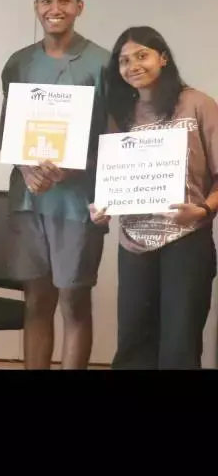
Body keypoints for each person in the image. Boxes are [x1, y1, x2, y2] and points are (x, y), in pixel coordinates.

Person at [0, 0, 111, 369]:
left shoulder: (102, 63)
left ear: (80, 6)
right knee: (36, 301)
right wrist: (26, 168)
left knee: (74, 301)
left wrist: (72, 169)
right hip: (28, 202)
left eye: (65, 0)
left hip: (76, 204)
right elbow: (7, 134)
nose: (55, 9)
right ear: (35, 6)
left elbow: (114, 140)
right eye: (46, 1)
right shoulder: (19, 63)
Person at [87, 26, 217, 369]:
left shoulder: (198, 104)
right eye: (124, 60)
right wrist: (102, 206)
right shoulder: (121, 115)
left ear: (163, 58)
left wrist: (203, 210)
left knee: (179, 346)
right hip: (134, 245)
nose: (133, 66)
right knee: (133, 347)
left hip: (186, 240)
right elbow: (113, 179)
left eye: (142, 56)